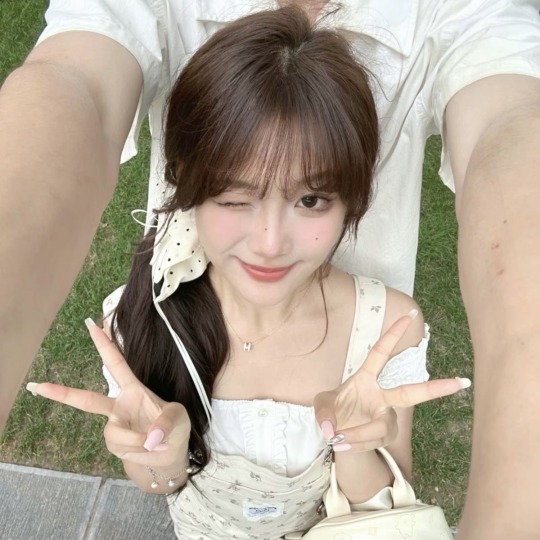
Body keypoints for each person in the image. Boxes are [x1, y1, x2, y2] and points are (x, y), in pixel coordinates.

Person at [0, 0, 539, 538]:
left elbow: (382, 511)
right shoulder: (143, 319)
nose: (269, 242)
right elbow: (160, 483)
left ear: (353, 200)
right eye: (235, 197)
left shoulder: (384, 331)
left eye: (311, 200)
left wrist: (353, 443)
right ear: (185, 180)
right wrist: (163, 454)